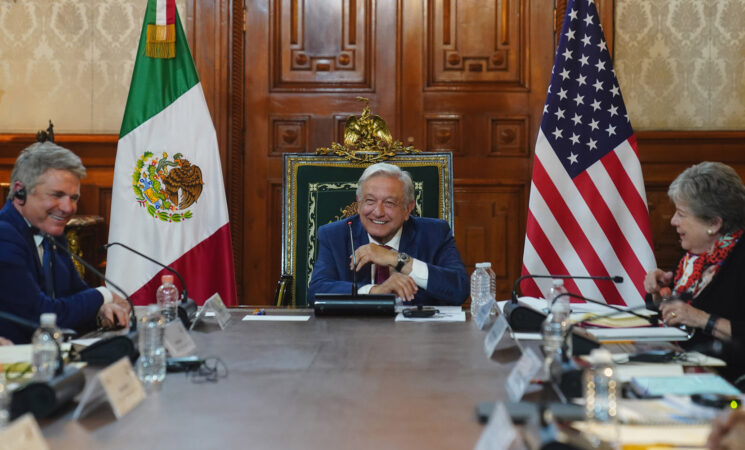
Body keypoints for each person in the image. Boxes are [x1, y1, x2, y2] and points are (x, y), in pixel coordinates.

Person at [0, 141, 130, 343]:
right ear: (20, 193)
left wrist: (102, 309)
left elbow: (77, 293)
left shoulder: (53, 235)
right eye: (57, 195)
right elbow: (43, 315)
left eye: (74, 197)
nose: (68, 208)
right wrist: (104, 296)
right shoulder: (4, 236)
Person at [308, 162, 469, 306]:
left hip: (415, 335)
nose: (378, 212)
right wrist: (375, 291)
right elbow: (316, 291)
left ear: (408, 208)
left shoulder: (435, 233)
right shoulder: (335, 234)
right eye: (370, 201)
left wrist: (396, 259)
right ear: (358, 203)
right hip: (354, 334)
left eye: (389, 203)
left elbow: (459, 289)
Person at [644, 162, 745, 380]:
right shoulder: (695, 256)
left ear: (714, 223)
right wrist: (659, 294)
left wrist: (702, 319)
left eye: (681, 214)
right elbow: (674, 318)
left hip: (724, 382)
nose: (673, 221)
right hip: (679, 366)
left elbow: (697, 318)